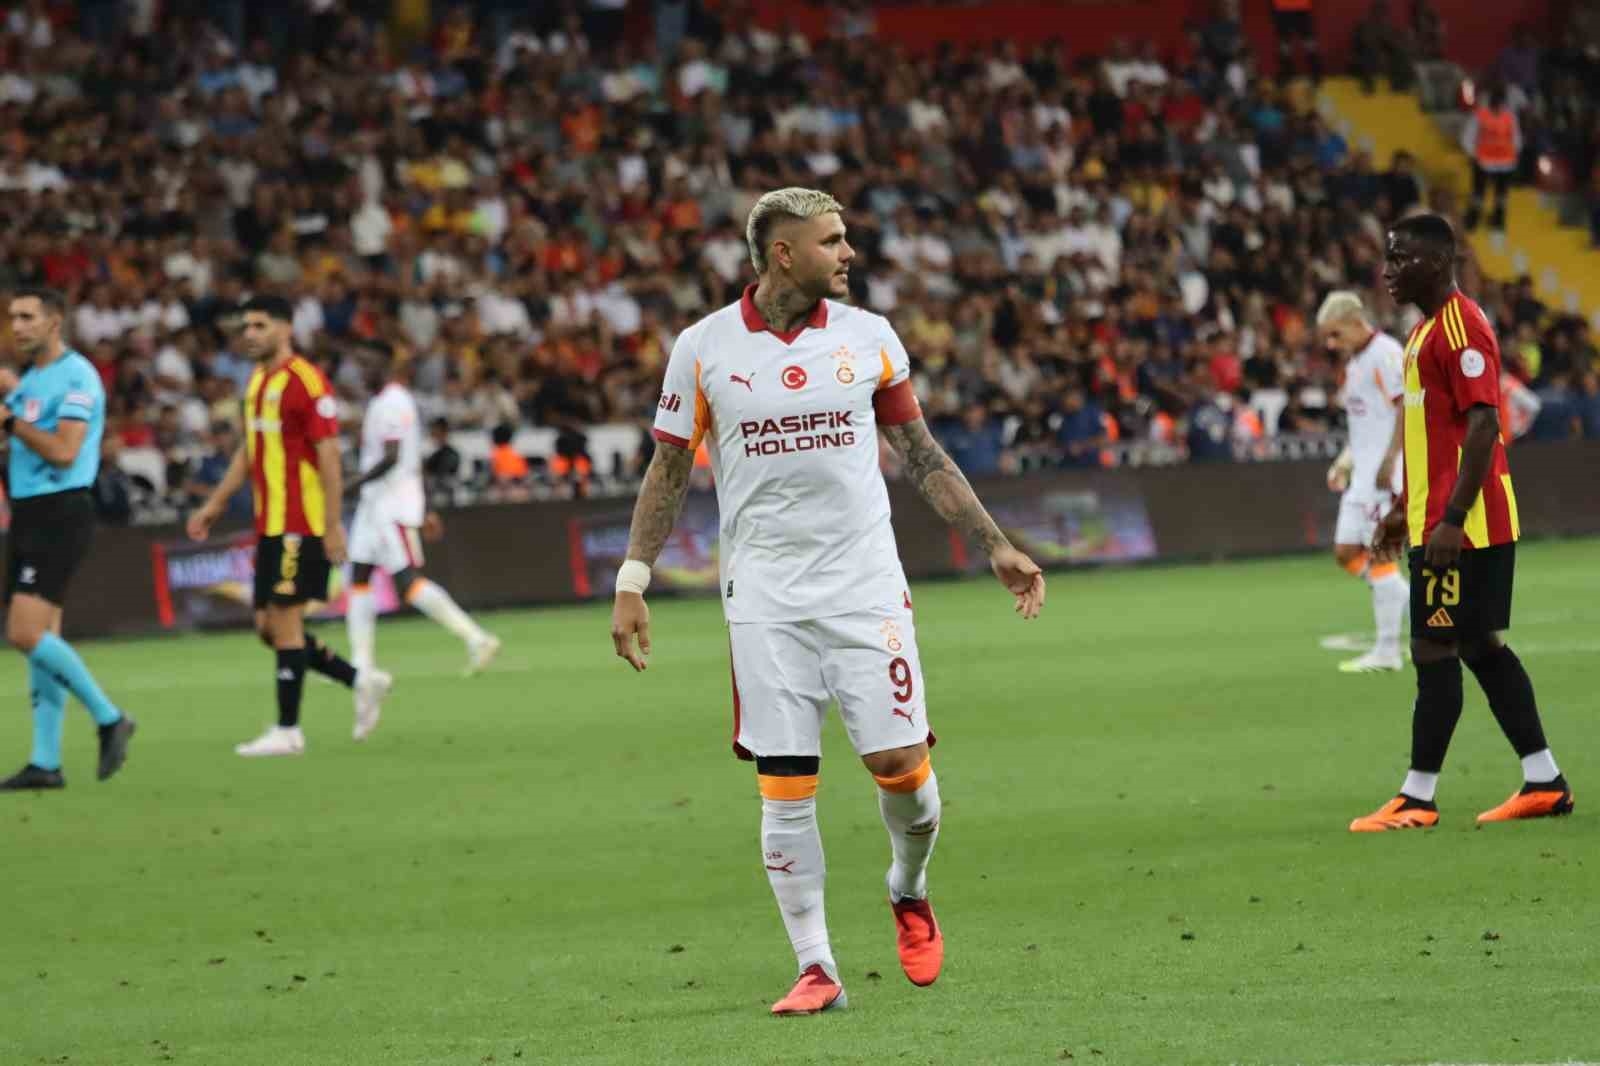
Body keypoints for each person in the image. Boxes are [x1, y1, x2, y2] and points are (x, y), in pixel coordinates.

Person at [609, 188, 1046, 1015]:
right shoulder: (703, 348)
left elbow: (921, 453)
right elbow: (667, 469)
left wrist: (995, 542)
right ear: (783, 253)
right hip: (764, 596)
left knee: (901, 770)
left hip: (864, 586)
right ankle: (816, 966)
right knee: (785, 782)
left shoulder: (868, 336)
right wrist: (633, 580)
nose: (848, 254)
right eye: (832, 241)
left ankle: (908, 887)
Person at [1353, 214, 1571, 831]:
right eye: (1388, 258)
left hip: (1464, 526)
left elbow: (1483, 425)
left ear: (1438, 262)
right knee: (1478, 646)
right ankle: (1544, 781)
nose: (1389, 271)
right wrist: (1405, 511)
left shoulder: (1460, 327)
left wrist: (1449, 521)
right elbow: (1437, 436)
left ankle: (1417, 797)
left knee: (1435, 646)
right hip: (1441, 519)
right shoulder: (1425, 331)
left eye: (1401, 259)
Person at [186, 296, 389, 757]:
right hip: (270, 522)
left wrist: (332, 525)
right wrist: (216, 502)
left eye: (260, 325)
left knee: (285, 619)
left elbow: (329, 456)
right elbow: (250, 447)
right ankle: (360, 681)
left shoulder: (307, 381)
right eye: (245, 326)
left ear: (286, 328)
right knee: (268, 628)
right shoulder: (258, 380)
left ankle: (288, 730)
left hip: (301, 520)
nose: (249, 334)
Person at [0, 286, 136, 791]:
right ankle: (45, 762)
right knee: (42, 640)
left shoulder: (77, 375)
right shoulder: (32, 381)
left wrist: (11, 421)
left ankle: (109, 717)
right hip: (28, 512)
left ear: (54, 322)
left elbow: (63, 450)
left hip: (60, 512)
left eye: (28, 317)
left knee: (24, 633)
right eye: (13, 317)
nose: (17, 326)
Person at [344, 356, 499, 724]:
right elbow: (414, 458)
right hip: (375, 504)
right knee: (359, 576)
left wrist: (350, 484)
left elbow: (394, 457)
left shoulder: (392, 403)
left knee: (408, 583)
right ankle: (361, 663)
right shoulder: (388, 402)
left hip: (391, 505)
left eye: (368, 367)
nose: (362, 374)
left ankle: (477, 638)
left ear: (386, 369)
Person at [1317, 291, 1409, 673]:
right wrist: (1344, 462)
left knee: (1380, 556)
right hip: (1362, 477)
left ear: (1356, 323)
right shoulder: (1354, 364)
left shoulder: (1386, 354)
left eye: (1336, 334)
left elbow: (1407, 406)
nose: (1331, 344)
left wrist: (1391, 459)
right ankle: (1405, 598)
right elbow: (1363, 424)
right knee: (1345, 551)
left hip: (1385, 476)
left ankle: (1387, 651)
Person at [1461, 86, 1520, 232]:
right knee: (1478, 192)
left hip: (1505, 162)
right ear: (1491, 103)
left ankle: (1499, 220)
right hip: (1484, 161)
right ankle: (1473, 219)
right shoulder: (1480, 115)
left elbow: (1516, 138)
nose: (1499, 108)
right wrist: (1473, 154)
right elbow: (1467, 136)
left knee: (1501, 193)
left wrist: (1514, 153)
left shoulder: (1509, 117)